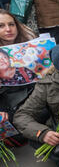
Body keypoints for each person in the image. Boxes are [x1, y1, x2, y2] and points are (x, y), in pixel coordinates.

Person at [0, 9, 37, 144]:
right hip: (9, 101)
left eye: (11, 24)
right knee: (15, 133)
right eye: (1, 26)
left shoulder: (33, 46)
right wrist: (1, 109)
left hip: (35, 95)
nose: (8, 29)